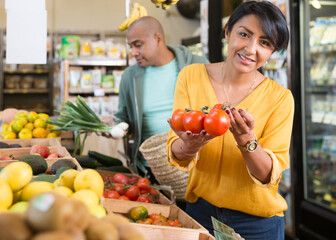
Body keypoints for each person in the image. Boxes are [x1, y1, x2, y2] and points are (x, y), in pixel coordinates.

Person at [166, 1, 293, 239]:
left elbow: (268, 176)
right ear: (227, 32)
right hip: (200, 212)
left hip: (256, 224)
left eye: (265, 43)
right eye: (244, 34)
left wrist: (246, 139)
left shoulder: (280, 98)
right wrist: (189, 146)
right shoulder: (191, 76)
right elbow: (176, 151)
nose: (251, 49)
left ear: (272, 52)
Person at [114, 16, 209, 178]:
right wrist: (114, 128)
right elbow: (122, 118)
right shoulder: (129, 77)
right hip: (151, 168)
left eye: (138, 45)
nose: (134, 53)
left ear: (158, 39)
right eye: (131, 47)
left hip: (195, 164)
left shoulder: (198, 65)